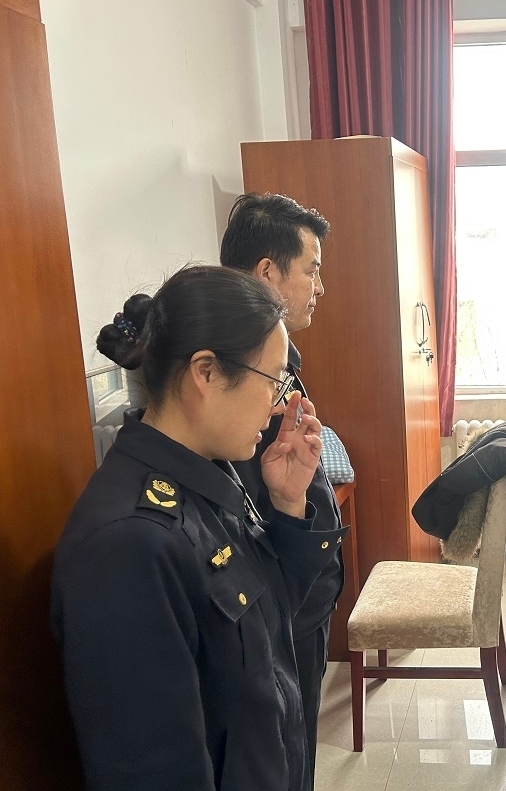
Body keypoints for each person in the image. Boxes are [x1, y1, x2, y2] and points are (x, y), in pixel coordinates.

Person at [51, 265, 346, 791]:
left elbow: (271, 617)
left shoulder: (212, 476)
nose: (280, 403)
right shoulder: (127, 546)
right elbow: (154, 771)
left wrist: (287, 504)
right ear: (205, 373)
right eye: (272, 380)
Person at [220, 192, 343, 781]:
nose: (320, 285)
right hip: (277, 601)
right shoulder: (236, 370)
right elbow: (245, 499)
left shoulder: (279, 356)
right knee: (285, 760)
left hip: (300, 587)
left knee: (299, 753)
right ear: (268, 272)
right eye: (311, 269)